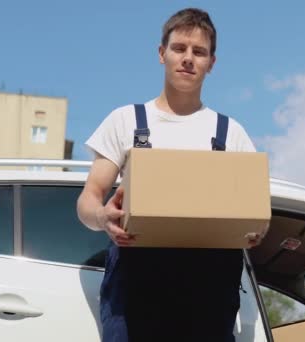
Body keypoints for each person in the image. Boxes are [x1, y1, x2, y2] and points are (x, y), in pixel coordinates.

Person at [77, 8, 264, 341]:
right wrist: (102, 216)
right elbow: (89, 198)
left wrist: (256, 229)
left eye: (199, 52)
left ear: (212, 63)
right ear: (162, 54)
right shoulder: (126, 121)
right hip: (135, 288)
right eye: (179, 48)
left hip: (209, 291)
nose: (188, 58)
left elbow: (256, 212)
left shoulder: (231, 133)